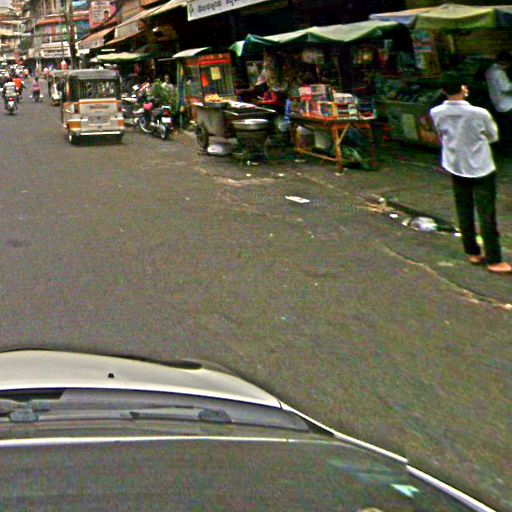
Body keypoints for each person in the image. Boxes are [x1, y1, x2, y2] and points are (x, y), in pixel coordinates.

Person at [430, 76, 512, 274]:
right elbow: (493, 136)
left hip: (455, 164)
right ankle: (494, 259)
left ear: (444, 91)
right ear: (463, 89)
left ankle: (473, 252)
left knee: (464, 209)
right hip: (480, 166)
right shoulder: (479, 113)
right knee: (486, 213)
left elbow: (441, 134)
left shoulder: (436, 112)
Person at [485, 50, 512, 150]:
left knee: (504, 127)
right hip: (506, 104)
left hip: (498, 102)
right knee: (508, 128)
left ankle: (504, 147)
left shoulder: (490, 70)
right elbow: (505, 88)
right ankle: (507, 148)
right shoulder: (499, 72)